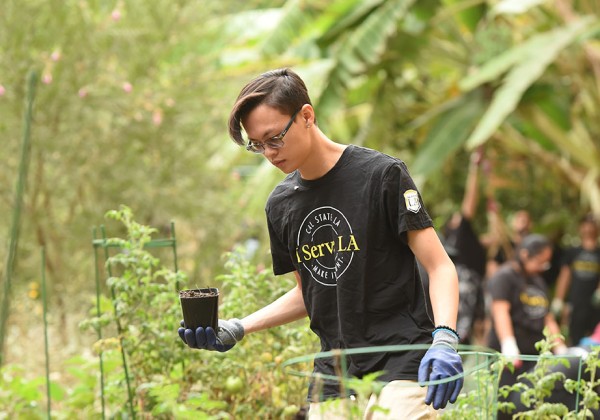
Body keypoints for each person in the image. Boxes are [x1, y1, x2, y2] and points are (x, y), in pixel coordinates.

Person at [177, 68, 463, 418]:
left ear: (306, 116)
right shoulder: (281, 205)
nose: (269, 153)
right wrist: (238, 327)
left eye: (274, 138)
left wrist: (445, 338)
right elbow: (308, 292)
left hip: (401, 357)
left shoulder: (381, 175)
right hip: (334, 368)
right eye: (257, 145)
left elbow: (439, 265)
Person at [486, 233, 566, 419]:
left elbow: (547, 317)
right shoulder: (505, 276)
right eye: (540, 261)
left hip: (534, 356)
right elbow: (500, 311)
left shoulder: (538, 281)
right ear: (524, 254)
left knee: (531, 404)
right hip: (510, 358)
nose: (543, 267)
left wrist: (559, 346)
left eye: (546, 263)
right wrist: (508, 343)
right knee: (507, 405)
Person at [551, 214, 600, 346]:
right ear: (580, 228)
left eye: (592, 225)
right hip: (576, 302)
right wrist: (559, 299)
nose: (588, 229)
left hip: (595, 305)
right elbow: (565, 276)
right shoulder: (573, 251)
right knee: (574, 337)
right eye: (585, 225)